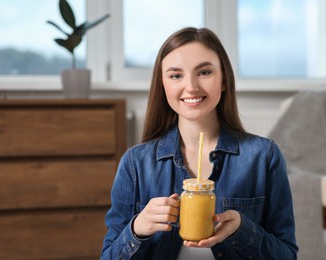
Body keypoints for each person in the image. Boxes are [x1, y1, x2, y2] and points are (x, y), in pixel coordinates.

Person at [101, 27, 298, 259]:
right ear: (163, 86)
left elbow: (287, 255)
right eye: (176, 75)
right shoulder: (135, 163)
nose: (191, 87)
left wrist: (242, 230)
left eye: (204, 72)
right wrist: (137, 230)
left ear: (223, 79)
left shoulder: (264, 157)